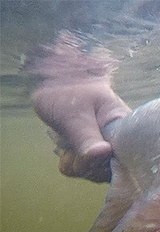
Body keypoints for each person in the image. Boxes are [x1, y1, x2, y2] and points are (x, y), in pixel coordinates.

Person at [27, 31, 131, 183]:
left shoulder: (53, 90)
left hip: (68, 93)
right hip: (95, 88)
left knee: (89, 137)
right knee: (119, 120)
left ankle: (91, 142)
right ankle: (96, 141)